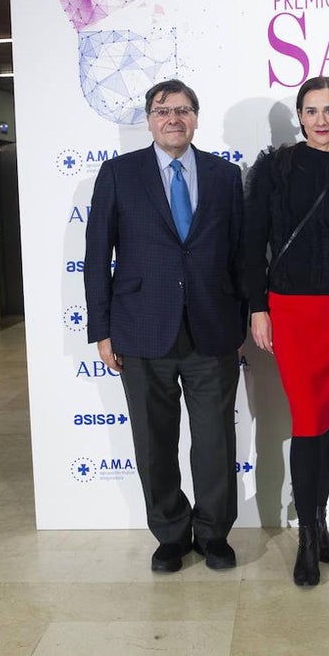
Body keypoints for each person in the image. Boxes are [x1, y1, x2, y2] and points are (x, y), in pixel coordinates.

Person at [84, 79, 245, 573]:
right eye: (161, 110)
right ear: (149, 120)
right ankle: (171, 534)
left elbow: (239, 256)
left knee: (215, 440)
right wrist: (102, 330)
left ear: (196, 117)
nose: (172, 118)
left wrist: (240, 325)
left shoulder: (225, 175)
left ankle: (214, 534)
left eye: (181, 110)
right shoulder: (118, 174)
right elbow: (95, 257)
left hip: (212, 331)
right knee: (154, 441)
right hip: (140, 329)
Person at [241, 76, 329, 587]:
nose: (320, 119)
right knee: (307, 418)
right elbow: (253, 244)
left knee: (325, 416)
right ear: (300, 117)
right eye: (311, 110)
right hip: (291, 310)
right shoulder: (276, 168)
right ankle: (307, 537)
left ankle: (319, 525)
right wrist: (258, 307)